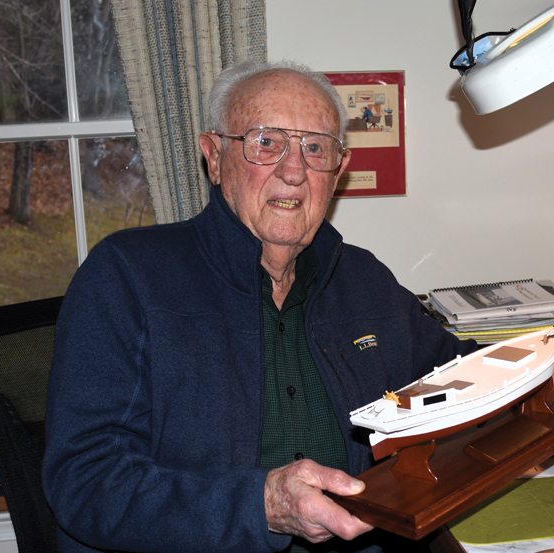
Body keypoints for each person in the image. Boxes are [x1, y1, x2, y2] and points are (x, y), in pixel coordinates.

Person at [42, 60, 478, 553]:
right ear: (213, 156)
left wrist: (541, 373)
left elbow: (458, 377)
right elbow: (84, 479)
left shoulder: (364, 280)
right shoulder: (126, 276)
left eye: (315, 148)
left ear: (337, 171)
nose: (293, 171)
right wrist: (261, 505)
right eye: (266, 142)